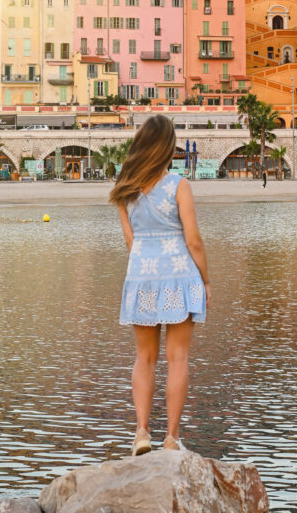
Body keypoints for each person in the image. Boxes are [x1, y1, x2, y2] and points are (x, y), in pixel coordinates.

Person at [110, 115, 210, 456]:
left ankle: (141, 432)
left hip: (141, 274)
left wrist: (145, 265)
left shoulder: (125, 189)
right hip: (179, 274)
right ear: (167, 148)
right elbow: (194, 240)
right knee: (177, 358)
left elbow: (130, 242)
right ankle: (171, 437)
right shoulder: (178, 185)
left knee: (144, 357)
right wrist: (206, 280)